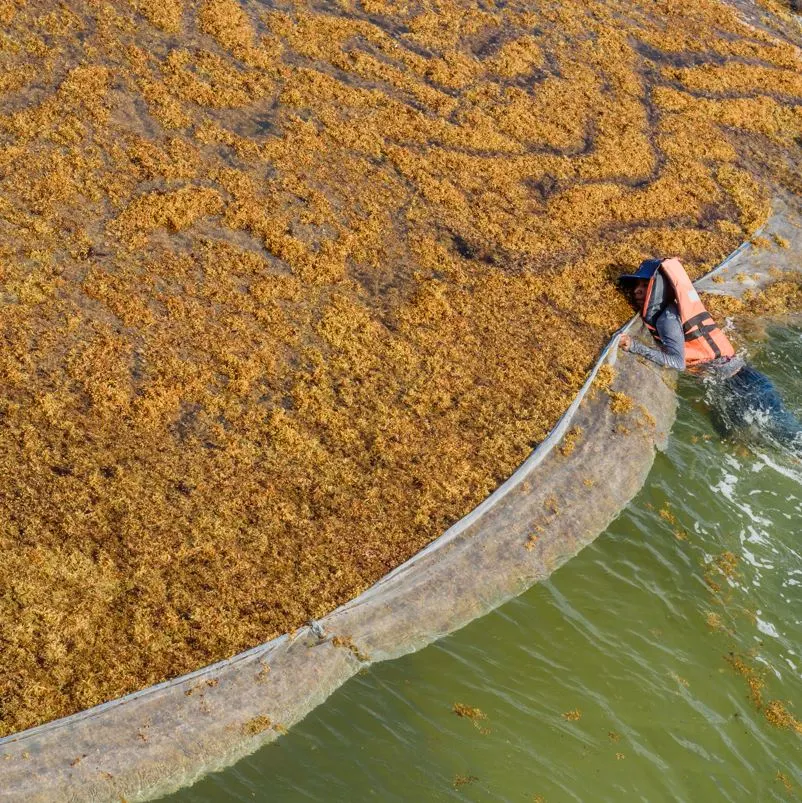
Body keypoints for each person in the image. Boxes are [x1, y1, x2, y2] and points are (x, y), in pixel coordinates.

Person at [618, 257, 802, 450]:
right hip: (742, 382)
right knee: (755, 442)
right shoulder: (670, 310)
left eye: (645, 285)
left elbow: (677, 363)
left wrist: (633, 346)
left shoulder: (667, 319)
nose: (637, 290)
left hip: (745, 388)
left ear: (659, 288)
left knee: (792, 439)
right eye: (636, 285)